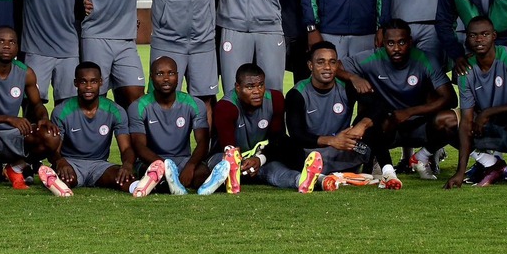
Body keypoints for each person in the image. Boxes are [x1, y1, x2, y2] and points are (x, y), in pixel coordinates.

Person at [337, 20, 458, 186]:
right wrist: (353, 77)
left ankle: (423, 157)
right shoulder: (371, 58)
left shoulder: (425, 59)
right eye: (390, 43)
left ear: (410, 42)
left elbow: (450, 98)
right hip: (388, 126)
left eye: (401, 42)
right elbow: (333, 66)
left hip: (421, 126)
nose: (396, 48)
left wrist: (410, 112)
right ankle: (379, 162)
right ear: (383, 44)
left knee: (450, 119)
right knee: (371, 119)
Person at [444, 16, 507, 190]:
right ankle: (492, 165)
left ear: (494, 36)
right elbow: (466, 121)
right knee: (447, 121)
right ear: (467, 38)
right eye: (473, 35)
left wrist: (488, 112)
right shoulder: (465, 70)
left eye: (484, 34)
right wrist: (459, 172)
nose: (479, 40)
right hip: (491, 129)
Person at [264, 42, 373, 192]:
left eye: (332, 62)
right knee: (281, 142)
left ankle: (383, 171)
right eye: (320, 62)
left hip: (344, 150)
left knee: (374, 124)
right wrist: (333, 141)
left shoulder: (347, 87)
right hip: (310, 155)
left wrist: (362, 125)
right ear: (310, 65)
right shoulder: (297, 94)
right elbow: (297, 135)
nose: (327, 67)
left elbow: (377, 106)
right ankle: (321, 177)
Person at [0, 25, 61, 190]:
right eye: (1, 41)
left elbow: (37, 104)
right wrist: (8, 118)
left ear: (17, 47)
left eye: (12, 42)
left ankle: (15, 169)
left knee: (51, 136)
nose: (7, 45)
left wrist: (43, 119)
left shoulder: (26, 72)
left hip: (13, 135)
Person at [128, 56, 227, 194]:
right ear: (151, 77)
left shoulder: (194, 104)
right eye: (160, 74)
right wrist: (166, 167)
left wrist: (191, 165)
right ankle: (169, 183)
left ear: (178, 76)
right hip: (153, 161)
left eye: (171, 73)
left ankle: (206, 186)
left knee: (201, 173)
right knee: (154, 174)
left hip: (183, 160)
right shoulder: (138, 106)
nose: (166, 78)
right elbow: (139, 146)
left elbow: (203, 141)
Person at [49, 62, 141, 195]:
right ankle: (55, 180)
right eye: (83, 82)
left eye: (93, 82)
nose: (88, 87)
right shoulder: (61, 111)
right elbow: (54, 150)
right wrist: (60, 162)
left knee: (123, 179)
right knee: (67, 178)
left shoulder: (115, 111)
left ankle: (140, 188)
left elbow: (126, 148)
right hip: (71, 163)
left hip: (100, 165)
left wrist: (127, 164)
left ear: (101, 82)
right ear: (75, 83)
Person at [207, 63, 286, 193]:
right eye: (250, 87)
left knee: (278, 170)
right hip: (225, 157)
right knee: (224, 164)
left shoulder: (275, 99)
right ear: (237, 87)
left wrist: (259, 159)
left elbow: (278, 139)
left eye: (261, 85)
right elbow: (228, 147)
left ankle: (320, 181)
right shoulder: (225, 107)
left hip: (260, 158)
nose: (257, 91)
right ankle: (230, 177)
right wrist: (242, 162)